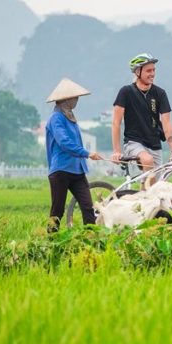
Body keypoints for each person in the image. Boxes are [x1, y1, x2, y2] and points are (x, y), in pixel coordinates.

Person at [45, 78, 103, 232]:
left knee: (87, 207)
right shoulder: (55, 118)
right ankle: (51, 241)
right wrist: (87, 153)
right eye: (74, 97)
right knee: (57, 211)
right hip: (61, 171)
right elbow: (64, 142)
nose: (77, 100)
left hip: (77, 171)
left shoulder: (70, 116)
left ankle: (90, 240)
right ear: (66, 99)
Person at [110, 53, 172, 171]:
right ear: (137, 72)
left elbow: (167, 124)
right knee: (147, 160)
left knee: (155, 186)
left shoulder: (160, 93)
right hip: (133, 143)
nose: (152, 74)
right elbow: (116, 123)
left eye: (154, 70)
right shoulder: (126, 92)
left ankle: (144, 189)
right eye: (148, 71)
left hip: (155, 144)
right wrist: (117, 151)